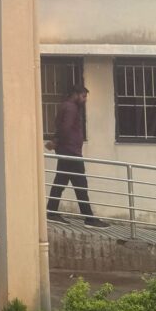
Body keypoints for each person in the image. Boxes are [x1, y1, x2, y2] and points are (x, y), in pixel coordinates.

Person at [45, 85, 109, 227]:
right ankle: (89, 219)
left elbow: (61, 126)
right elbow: (65, 128)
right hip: (71, 152)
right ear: (75, 94)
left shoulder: (66, 106)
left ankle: (52, 212)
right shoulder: (71, 108)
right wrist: (56, 141)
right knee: (80, 184)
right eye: (83, 96)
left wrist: (56, 141)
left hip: (67, 151)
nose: (85, 100)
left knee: (61, 182)